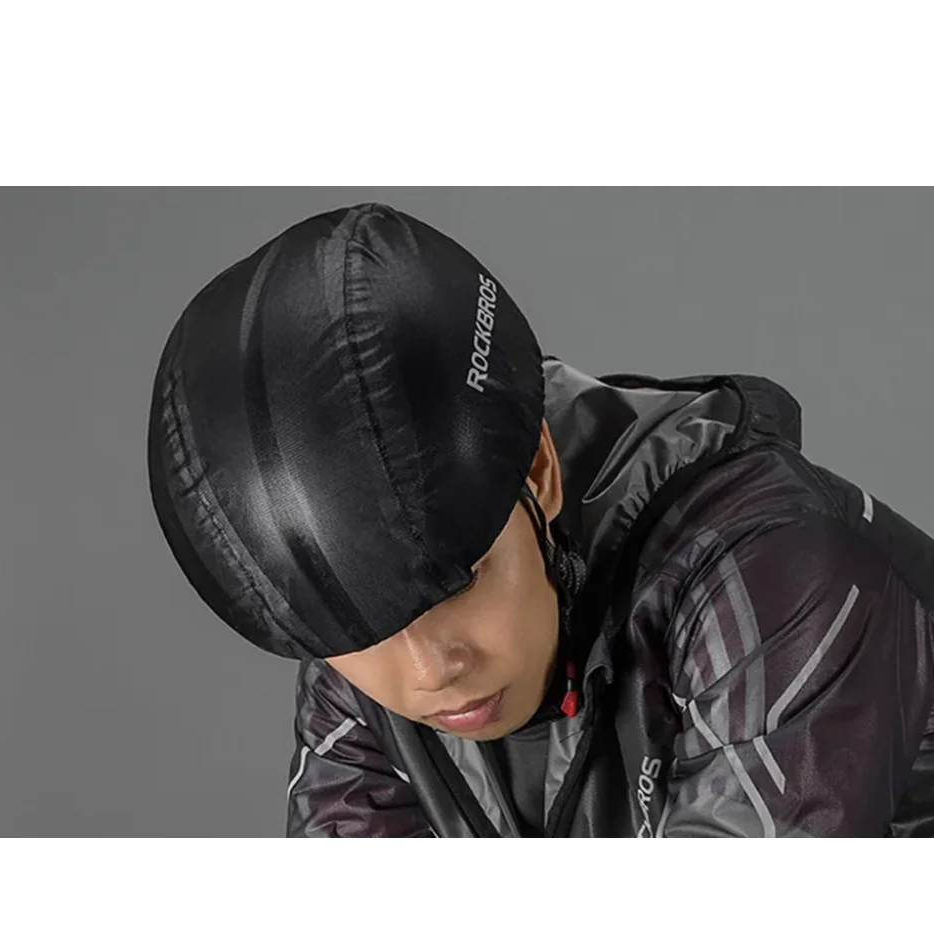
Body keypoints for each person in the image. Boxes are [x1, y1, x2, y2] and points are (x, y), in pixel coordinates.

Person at [146, 201, 934, 837]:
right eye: (356, 635)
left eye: (459, 582)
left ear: (539, 472)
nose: (429, 670)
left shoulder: (771, 573)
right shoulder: (361, 673)